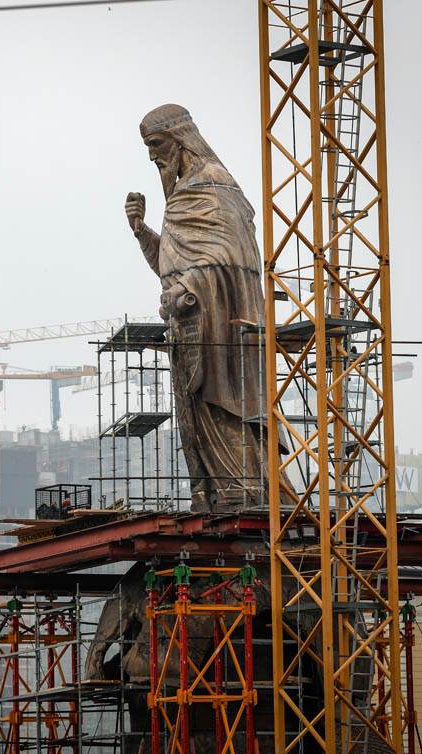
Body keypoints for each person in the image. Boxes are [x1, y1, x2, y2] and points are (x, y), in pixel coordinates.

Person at [126, 104, 269, 513]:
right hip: (188, 329)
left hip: (222, 329)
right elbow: (173, 267)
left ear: (180, 139)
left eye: (156, 145)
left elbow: (228, 256)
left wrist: (187, 288)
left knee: (224, 411)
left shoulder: (212, 184)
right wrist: (142, 233)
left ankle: (242, 491)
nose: (153, 156)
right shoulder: (179, 197)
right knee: (195, 416)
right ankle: (210, 492)